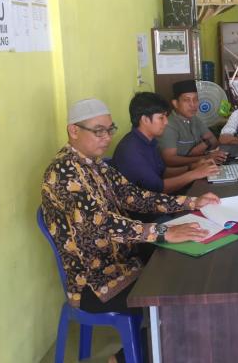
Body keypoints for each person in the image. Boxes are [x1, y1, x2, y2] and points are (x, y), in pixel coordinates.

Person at [41, 98, 220, 363]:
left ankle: (141, 352)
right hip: (95, 282)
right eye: (98, 131)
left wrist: (191, 202)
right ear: (74, 130)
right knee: (179, 297)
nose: (107, 137)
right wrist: (162, 232)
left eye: (110, 129)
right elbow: (100, 222)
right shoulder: (63, 172)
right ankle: (127, 358)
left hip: (124, 259)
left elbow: (135, 197)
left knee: (189, 275)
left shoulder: (96, 164)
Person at [112, 92, 219, 194]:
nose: (166, 122)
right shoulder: (132, 151)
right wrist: (195, 174)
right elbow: (159, 188)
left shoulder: (149, 140)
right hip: (144, 204)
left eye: (166, 117)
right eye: (161, 118)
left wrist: (192, 167)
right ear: (145, 119)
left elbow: (162, 172)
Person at [158, 79, 228, 167]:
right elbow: (170, 160)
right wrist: (205, 157)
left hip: (201, 166)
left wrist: (204, 145)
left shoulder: (194, 118)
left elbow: (213, 140)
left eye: (195, 99)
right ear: (175, 103)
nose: (193, 104)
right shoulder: (169, 125)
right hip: (182, 172)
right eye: (186, 100)